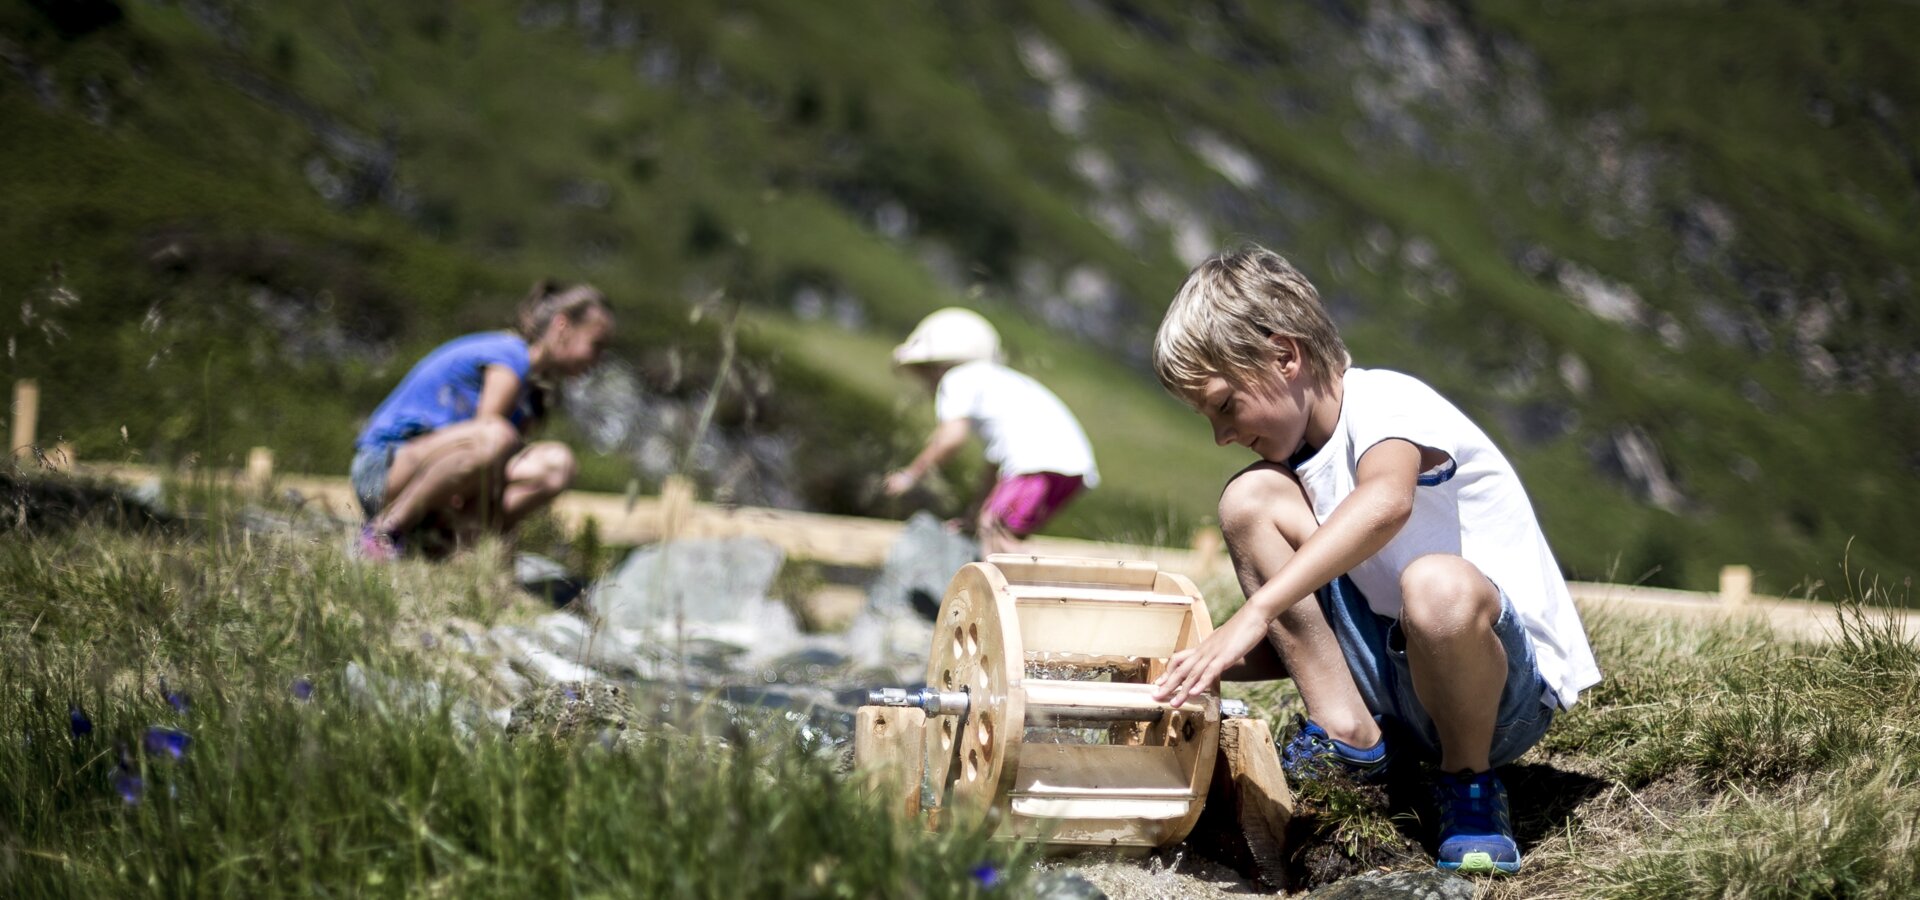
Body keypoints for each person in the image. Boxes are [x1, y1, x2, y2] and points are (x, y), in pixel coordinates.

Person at [1147, 246, 1600, 875]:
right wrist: (1179, 670)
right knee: (1250, 497)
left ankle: (1469, 785)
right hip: (1397, 674)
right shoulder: (1301, 463)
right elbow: (1313, 628)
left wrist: (1255, 612)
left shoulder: (1386, 401)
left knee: (1435, 583)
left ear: (1285, 357)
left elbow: (1387, 502)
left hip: (1497, 694)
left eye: (1226, 406)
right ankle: (1349, 738)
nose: (1222, 436)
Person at [350, 281, 614, 560]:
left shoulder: (534, 397)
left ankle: (454, 547)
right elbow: (487, 441)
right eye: (596, 345)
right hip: (382, 469)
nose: (598, 360)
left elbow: (491, 472)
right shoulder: (510, 357)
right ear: (563, 326)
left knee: (557, 465)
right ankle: (385, 532)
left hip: (437, 479)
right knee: (497, 436)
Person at [882, 307, 1099, 556]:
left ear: (938, 366)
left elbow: (951, 439)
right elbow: (994, 467)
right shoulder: (998, 383)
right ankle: (1033, 583)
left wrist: (910, 476)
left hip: (1035, 464)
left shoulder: (956, 380)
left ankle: (1051, 583)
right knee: (997, 529)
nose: (927, 385)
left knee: (994, 532)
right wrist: (973, 515)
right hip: (1071, 468)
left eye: (925, 373)